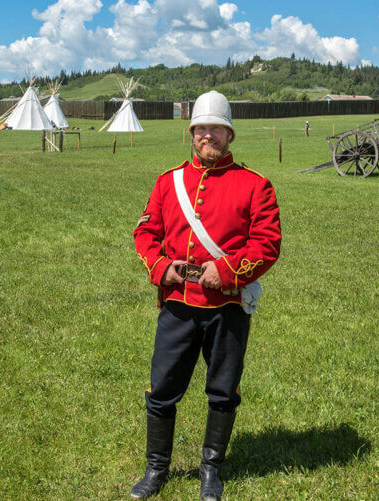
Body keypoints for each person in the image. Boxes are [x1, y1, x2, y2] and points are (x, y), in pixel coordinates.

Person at [131, 90, 282, 500]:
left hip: (227, 308)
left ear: (229, 135)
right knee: (162, 389)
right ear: (191, 133)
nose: (208, 136)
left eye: (217, 129)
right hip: (178, 305)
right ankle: (156, 468)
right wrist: (162, 268)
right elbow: (145, 233)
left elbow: (267, 245)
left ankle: (211, 470)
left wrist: (229, 271)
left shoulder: (256, 186)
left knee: (222, 390)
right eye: (201, 129)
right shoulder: (168, 183)